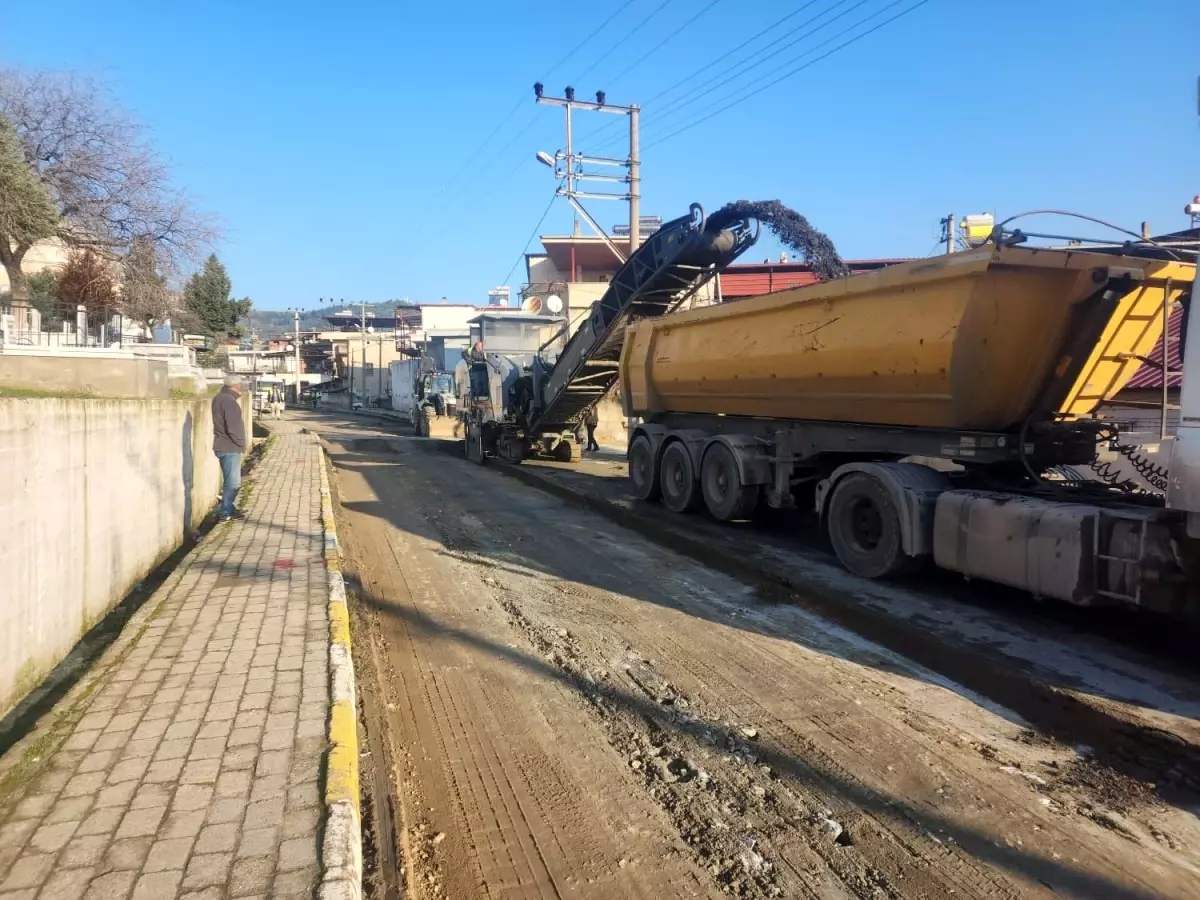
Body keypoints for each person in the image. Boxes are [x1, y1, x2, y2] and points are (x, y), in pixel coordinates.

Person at [212, 375, 247, 521]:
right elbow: (233, 427)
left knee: (230, 481)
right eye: (241, 385)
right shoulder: (229, 401)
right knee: (233, 483)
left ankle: (229, 508)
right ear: (237, 386)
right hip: (229, 446)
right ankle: (225, 511)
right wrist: (240, 442)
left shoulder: (219, 398)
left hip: (222, 445)